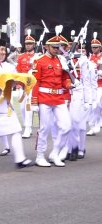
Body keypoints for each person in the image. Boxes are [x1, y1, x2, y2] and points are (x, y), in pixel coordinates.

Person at [0, 38, 33, 172]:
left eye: (5, 49)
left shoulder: (7, 65)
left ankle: (19, 159)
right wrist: (2, 81)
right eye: (1, 49)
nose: (4, 52)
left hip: (6, 105)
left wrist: (19, 80)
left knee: (15, 130)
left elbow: (13, 82)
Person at [31, 33, 73, 167]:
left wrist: (69, 84)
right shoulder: (39, 60)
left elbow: (63, 78)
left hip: (59, 98)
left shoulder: (60, 60)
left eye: (58, 47)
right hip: (44, 97)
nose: (56, 49)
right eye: (54, 47)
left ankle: (55, 153)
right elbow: (35, 81)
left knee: (66, 126)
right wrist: (34, 100)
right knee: (44, 128)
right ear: (47, 46)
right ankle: (40, 156)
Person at [16, 31, 38, 138]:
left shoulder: (38, 56)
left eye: (30, 43)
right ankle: (26, 125)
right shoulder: (21, 57)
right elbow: (18, 71)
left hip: (32, 86)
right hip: (22, 85)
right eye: (26, 43)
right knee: (21, 108)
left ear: (34, 44)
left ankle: (28, 128)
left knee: (28, 107)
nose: (28, 45)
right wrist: (18, 84)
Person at [86, 33, 102, 136]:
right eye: (92, 47)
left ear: (100, 47)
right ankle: (93, 125)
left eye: (96, 47)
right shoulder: (89, 58)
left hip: (101, 84)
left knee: (99, 106)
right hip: (92, 85)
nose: (94, 49)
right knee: (93, 106)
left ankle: (98, 121)